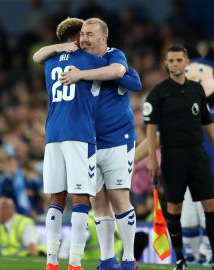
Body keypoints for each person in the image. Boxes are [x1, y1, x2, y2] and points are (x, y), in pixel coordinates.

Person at [33, 17, 141, 270]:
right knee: (98, 201)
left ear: (104, 37)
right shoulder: (81, 59)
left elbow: (129, 78)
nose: (84, 39)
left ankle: (129, 259)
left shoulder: (113, 56)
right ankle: (107, 259)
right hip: (89, 140)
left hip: (116, 139)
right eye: (82, 34)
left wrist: (81, 75)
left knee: (119, 197)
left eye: (90, 34)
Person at [144, 44, 214, 270]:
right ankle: (181, 259)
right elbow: (150, 127)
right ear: (166, 64)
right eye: (171, 60)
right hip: (173, 156)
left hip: (197, 154)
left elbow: (207, 121)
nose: (174, 64)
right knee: (175, 207)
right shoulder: (158, 93)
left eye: (178, 60)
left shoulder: (197, 89)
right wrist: (152, 158)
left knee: (211, 203)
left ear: (186, 62)